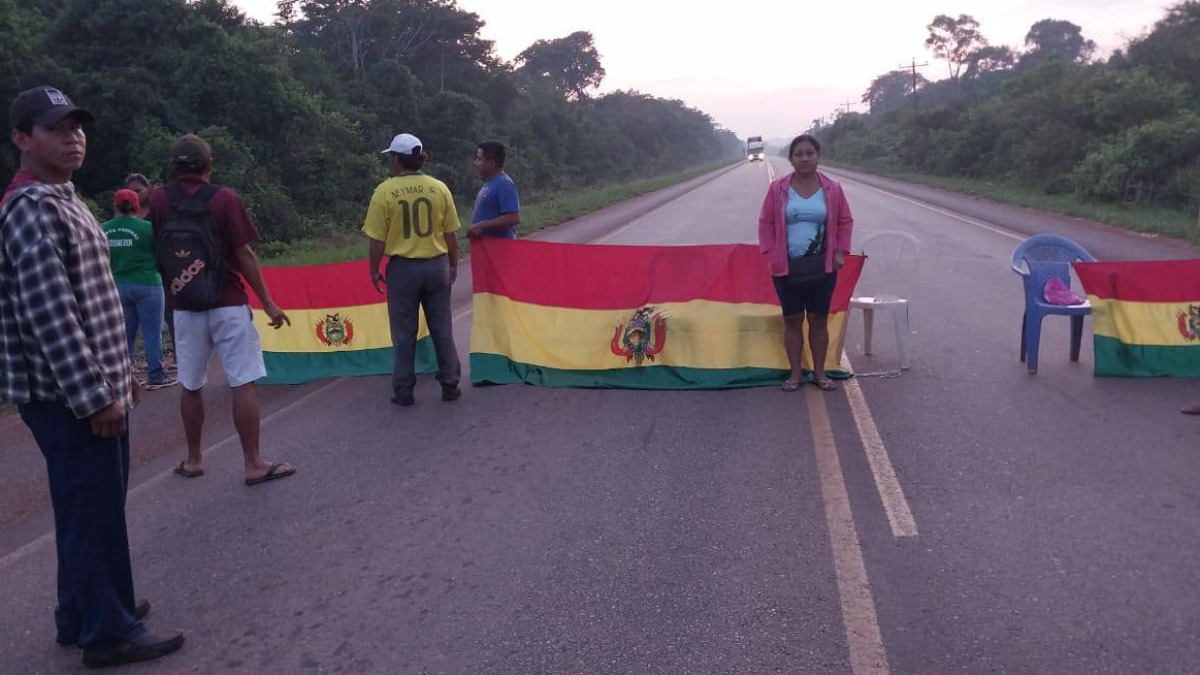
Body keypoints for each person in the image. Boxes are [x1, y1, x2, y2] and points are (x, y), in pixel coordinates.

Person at [1, 85, 184, 668]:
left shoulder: (65, 197)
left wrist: (122, 372)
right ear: (22, 139)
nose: (73, 136)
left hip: (90, 382)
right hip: (67, 395)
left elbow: (95, 302)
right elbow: (49, 312)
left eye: (76, 126)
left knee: (83, 504)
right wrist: (93, 395)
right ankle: (108, 630)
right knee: (95, 504)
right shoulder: (32, 208)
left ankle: (83, 610)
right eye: (56, 128)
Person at [146, 134, 296, 485]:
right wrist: (269, 302)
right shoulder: (224, 199)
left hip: (184, 307)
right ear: (209, 167)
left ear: (173, 167)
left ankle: (194, 459)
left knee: (191, 384)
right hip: (228, 302)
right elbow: (244, 254)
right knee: (241, 381)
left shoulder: (159, 201)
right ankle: (253, 463)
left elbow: (158, 250)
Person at [364, 133, 462, 406]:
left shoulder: (384, 192)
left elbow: (377, 240)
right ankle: (450, 384)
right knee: (441, 326)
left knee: (404, 332)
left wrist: (373, 270)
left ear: (396, 159)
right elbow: (451, 235)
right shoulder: (439, 188)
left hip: (403, 270)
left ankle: (404, 390)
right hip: (436, 265)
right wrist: (453, 263)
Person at [757, 134, 854, 392]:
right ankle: (795, 375)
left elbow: (845, 221)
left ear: (817, 156)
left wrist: (840, 252)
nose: (804, 158)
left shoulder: (832, 189)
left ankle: (820, 374)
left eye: (809, 153)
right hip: (786, 268)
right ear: (791, 159)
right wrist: (770, 253)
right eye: (798, 154)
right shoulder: (778, 189)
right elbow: (765, 222)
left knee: (818, 320)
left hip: (823, 267)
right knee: (792, 319)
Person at [102, 189, 177, 389]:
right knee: (152, 332)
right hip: (147, 283)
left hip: (116, 284)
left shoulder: (103, 229)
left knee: (124, 333)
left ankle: (125, 375)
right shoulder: (148, 228)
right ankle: (156, 375)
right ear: (136, 206)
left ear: (115, 206)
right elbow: (163, 255)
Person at [125, 172, 177, 375]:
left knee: (170, 312)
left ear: (149, 189)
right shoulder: (128, 211)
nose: (135, 194)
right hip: (139, 271)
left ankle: (177, 354)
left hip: (163, 267)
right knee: (134, 322)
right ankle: (134, 362)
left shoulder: (159, 208)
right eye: (131, 191)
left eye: (138, 190)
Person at [467, 140, 521, 239]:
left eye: (479, 159)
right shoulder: (490, 182)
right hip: (486, 248)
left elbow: (513, 218)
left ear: (491, 163)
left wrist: (482, 225)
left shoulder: (504, 184)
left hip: (499, 249)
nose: (475, 163)